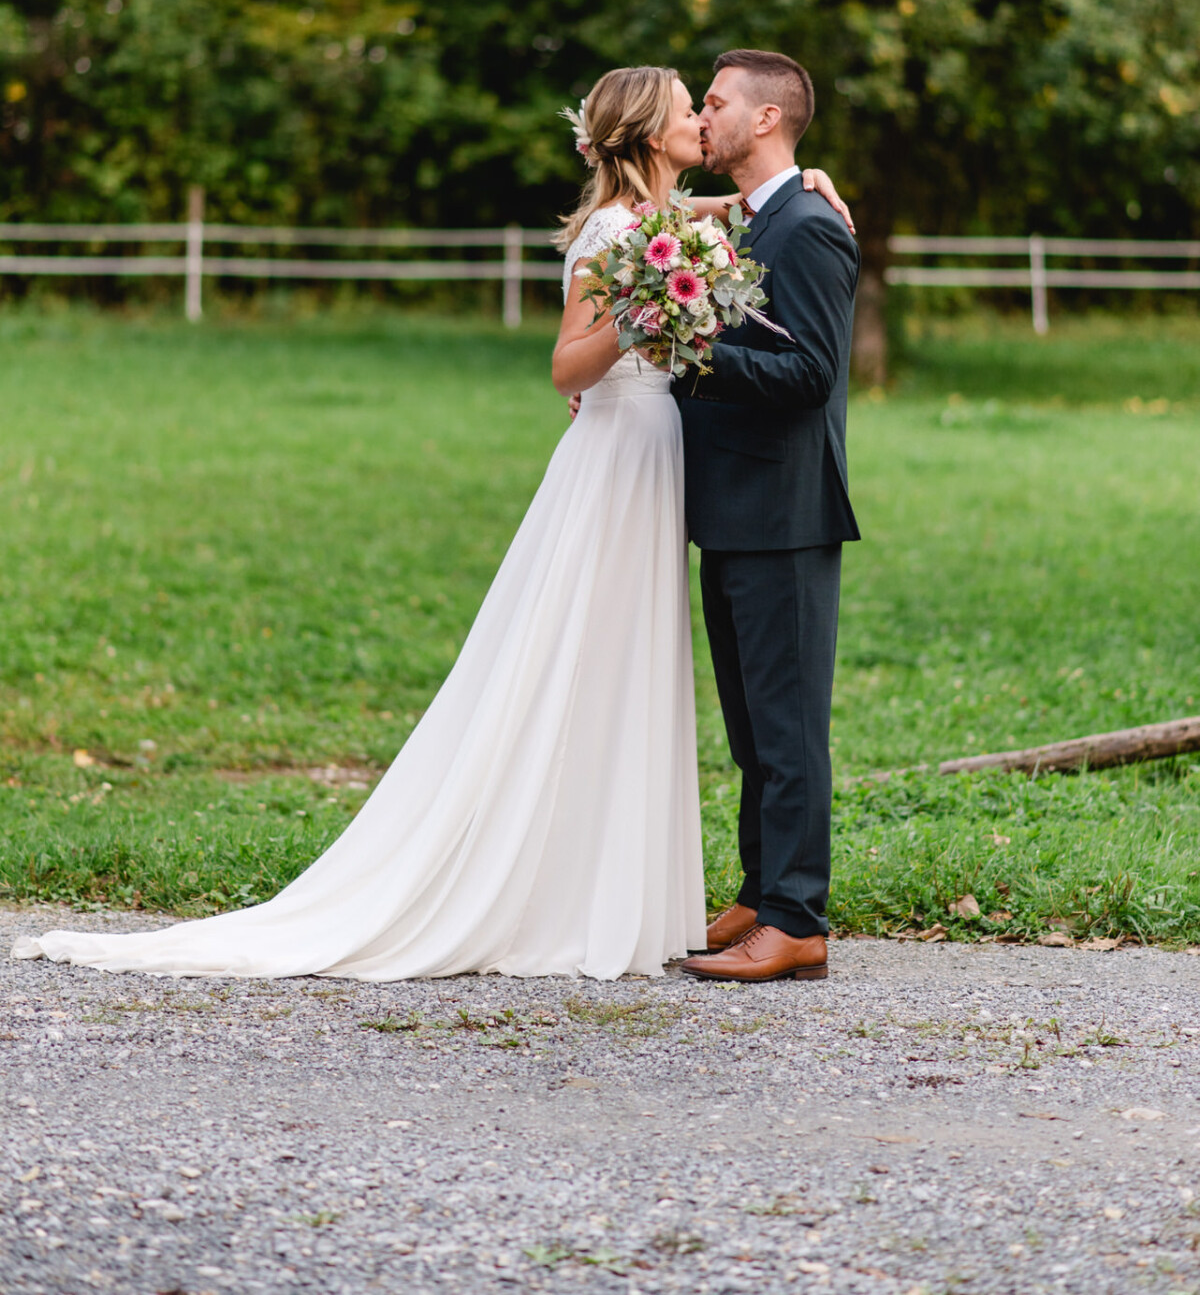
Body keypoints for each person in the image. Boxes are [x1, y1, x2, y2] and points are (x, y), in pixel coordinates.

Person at [11, 64, 847, 984]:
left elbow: (748, 235)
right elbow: (572, 364)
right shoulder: (622, 233)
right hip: (627, 460)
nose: (702, 117)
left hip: (677, 468)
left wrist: (807, 184)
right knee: (603, 660)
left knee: (667, 675)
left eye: (712, 103)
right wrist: (654, 316)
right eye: (693, 106)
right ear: (654, 134)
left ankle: (737, 897)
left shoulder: (704, 219)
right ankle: (624, 886)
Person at [674, 50, 860, 985]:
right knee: (751, 729)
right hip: (732, 507)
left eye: (714, 102)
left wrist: (692, 349)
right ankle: (758, 891)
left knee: (787, 730)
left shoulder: (809, 228)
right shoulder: (751, 218)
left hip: (785, 511)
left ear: (766, 121)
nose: (702, 116)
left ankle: (797, 920)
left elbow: (813, 374)